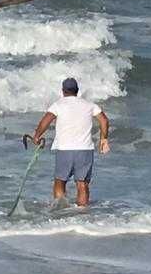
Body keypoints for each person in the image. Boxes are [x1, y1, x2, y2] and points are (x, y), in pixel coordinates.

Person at [29, 77, 109, 207]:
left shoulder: (58, 105)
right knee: (82, 184)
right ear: (77, 91)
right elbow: (104, 120)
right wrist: (103, 139)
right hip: (85, 150)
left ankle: (61, 210)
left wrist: (37, 136)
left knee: (60, 182)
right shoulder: (89, 105)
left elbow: (46, 121)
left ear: (63, 91)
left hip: (64, 149)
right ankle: (82, 212)